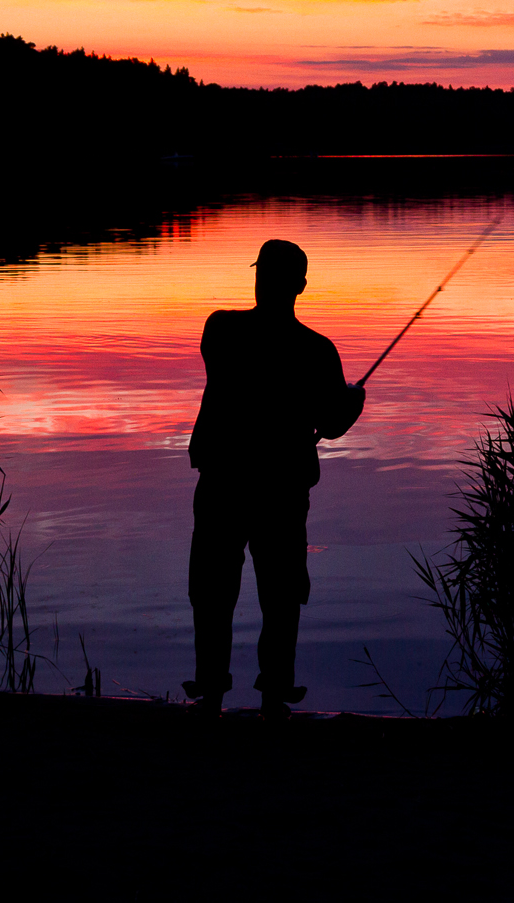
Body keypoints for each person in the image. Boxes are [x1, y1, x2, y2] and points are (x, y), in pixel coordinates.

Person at [184, 239, 365, 717]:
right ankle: (274, 693)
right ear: (301, 286)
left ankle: (211, 691)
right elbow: (329, 426)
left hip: (223, 482)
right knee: (280, 594)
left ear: (261, 278)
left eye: (263, 273)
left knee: (214, 590)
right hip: (281, 491)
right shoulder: (317, 350)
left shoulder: (220, 330)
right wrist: (353, 402)